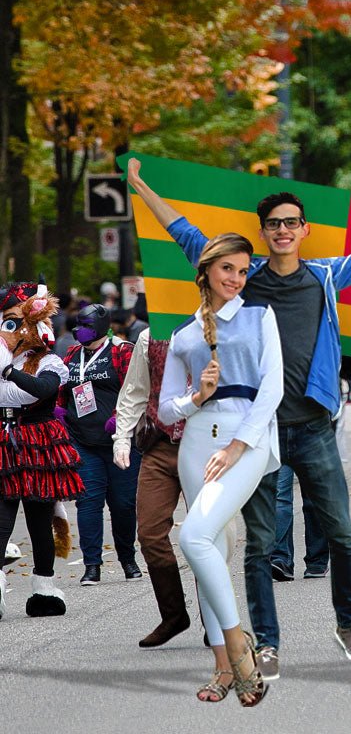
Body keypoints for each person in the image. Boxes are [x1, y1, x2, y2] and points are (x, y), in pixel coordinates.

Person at [127, 157, 351, 676]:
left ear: (304, 230)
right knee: (261, 544)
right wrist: (140, 188)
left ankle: (348, 626)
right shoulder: (244, 278)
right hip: (257, 434)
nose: (283, 230)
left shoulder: (325, 276)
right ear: (262, 233)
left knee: (338, 532)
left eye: (292, 222)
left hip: (313, 428)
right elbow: (186, 234)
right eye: (274, 224)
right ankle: (266, 643)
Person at [159, 232, 280, 705]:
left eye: (243, 270)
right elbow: (166, 410)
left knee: (193, 536)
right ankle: (222, 669)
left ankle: (239, 650)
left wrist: (237, 445)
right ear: (207, 269)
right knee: (210, 550)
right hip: (195, 443)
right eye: (228, 268)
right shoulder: (185, 334)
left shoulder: (259, 315)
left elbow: (272, 388)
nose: (236, 278)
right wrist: (197, 397)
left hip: (244, 440)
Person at [0, 281, 80, 619]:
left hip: (38, 444)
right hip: (4, 442)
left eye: (14, 322)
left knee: (39, 520)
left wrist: (7, 372)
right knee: (2, 521)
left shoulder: (49, 361)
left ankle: (44, 588)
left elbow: (40, 391)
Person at [112, 328, 191, 647]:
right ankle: (173, 614)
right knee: (149, 533)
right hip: (160, 446)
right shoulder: (149, 337)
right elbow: (134, 391)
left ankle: (217, 619)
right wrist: (121, 437)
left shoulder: (223, 326)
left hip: (204, 446)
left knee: (205, 536)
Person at [60, 304, 141, 586]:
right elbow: (63, 389)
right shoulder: (72, 354)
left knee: (123, 504)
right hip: (83, 441)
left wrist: (120, 419)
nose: (78, 329)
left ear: (100, 325)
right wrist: (60, 411)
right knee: (88, 503)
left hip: (121, 441)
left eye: (85, 324)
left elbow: (137, 390)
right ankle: (92, 564)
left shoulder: (122, 351)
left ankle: (128, 559)